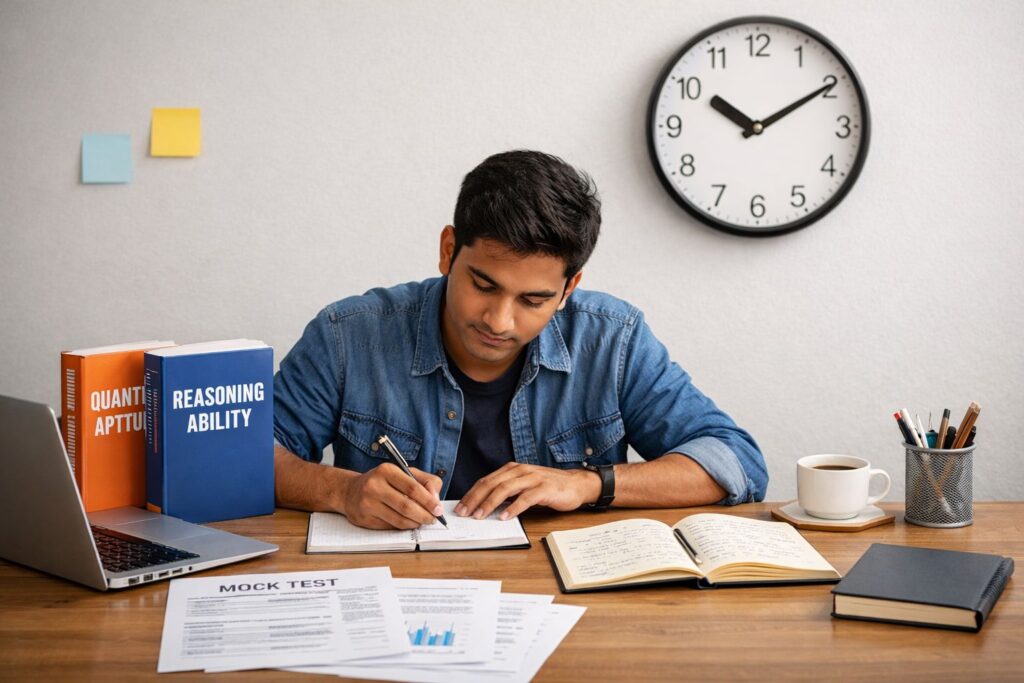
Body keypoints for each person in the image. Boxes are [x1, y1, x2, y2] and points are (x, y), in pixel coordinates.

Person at [273, 150, 767, 530]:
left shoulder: (611, 339)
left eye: (533, 300)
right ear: (448, 251)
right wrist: (341, 491)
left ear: (568, 288)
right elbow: (247, 455)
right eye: (483, 285)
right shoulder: (349, 335)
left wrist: (587, 484)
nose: (500, 320)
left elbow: (734, 461)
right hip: (399, 590)